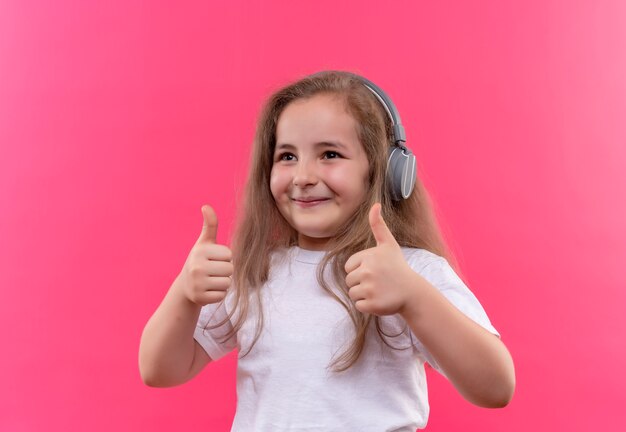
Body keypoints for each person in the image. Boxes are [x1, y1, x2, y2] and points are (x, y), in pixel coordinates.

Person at [138, 70, 515, 431]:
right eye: (287, 156)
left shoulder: (409, 271)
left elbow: (495, 387)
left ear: (384, 170)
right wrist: (184, 294)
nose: (303, 176)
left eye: (330, 154)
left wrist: (413, 296)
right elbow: (160, 370)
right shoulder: (255, 272)